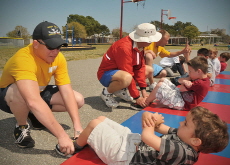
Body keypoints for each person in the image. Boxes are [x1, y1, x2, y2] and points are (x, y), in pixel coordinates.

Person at [0, 21, 84, 154]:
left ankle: (34, 114)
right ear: (36, 44)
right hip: (8, 96)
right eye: (51, 47)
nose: (55, 51)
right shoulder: (23, 58)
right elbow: (32, 100)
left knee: (78, 99)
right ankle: (21, 126)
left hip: (37, 90)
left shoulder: (58, 57)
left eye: (59, 47)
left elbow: (67, 92)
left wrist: (78, 128)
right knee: (23, 95)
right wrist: (62, 136)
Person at [56, 106, 229, 165]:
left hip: (125, 156)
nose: (180, 123)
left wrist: (150, 124)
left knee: (94, 125)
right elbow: (163, 129)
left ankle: (75, 147)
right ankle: (86, 140)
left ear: (195, 140)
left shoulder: (183, 153)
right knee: (101, 119)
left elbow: (148, 137)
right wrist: (150, 117)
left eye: (185, 123)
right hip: (134, 143)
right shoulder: (186, 139)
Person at [97, 23, 162, 108]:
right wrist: (137, 97)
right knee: (127, 77)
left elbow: (140, 68)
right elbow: (127, 72)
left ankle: (120, 89)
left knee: (148, 69)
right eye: (151, 40)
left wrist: (143, 91)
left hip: (120, 73)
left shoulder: (139, 45)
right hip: (105, 75)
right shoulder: (124, 47)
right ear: (145, 40)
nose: (153, 42)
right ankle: (106, 93)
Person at [144, 56, 210, 111]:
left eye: (190, 71)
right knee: (163, 79)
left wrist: (184, 81)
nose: (189, 73)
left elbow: (181, 88)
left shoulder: (200, 83)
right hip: (180, 96)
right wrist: (184, 81)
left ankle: (145, 102)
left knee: (160, 86)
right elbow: (179, 80)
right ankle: (151, 98)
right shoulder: (197, 78)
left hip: (182, 103)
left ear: (199, 71)